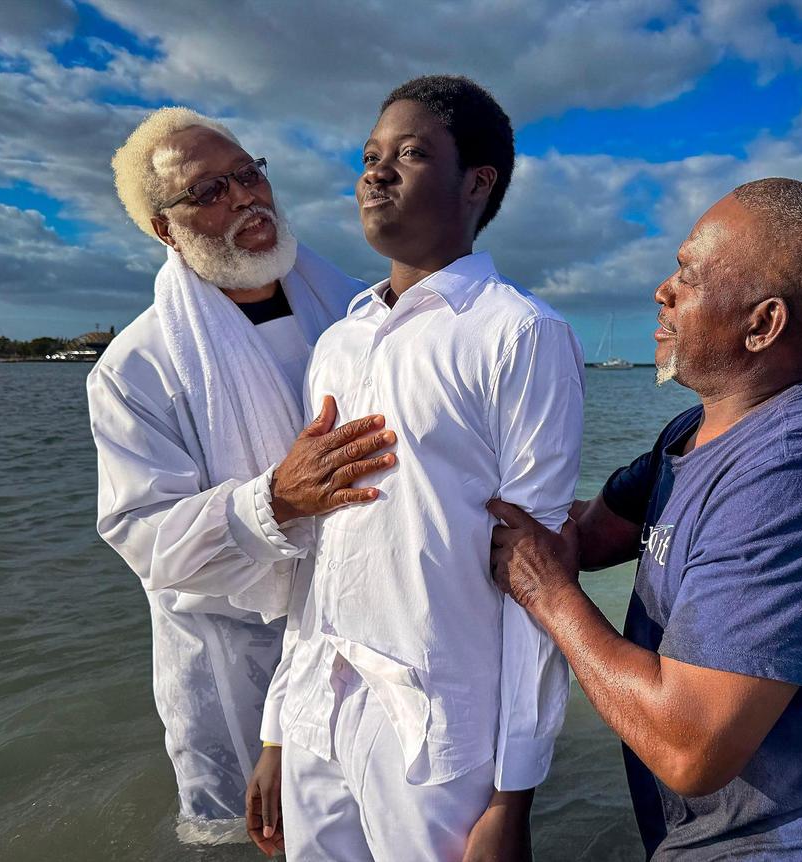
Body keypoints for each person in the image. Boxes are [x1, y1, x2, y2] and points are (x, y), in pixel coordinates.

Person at [488, 178, 802, 859]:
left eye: (687, 274)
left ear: (762, 324)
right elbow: (587, 537)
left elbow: (689, 747)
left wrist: (548, 596)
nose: (662, 290)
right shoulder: (693, 431)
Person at [265, 75, 583, 861]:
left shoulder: (519, 334)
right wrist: (277, 729)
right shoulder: (341, 341)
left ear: (478, 182)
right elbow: (319, 548)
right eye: (370, 156)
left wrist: (514, 796)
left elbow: (534, 577)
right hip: (320, 708)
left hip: (439, 727)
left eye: (410, 154)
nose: (375, 173)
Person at [88, 107, 395, 843]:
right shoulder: (137, 369)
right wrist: (273, 500)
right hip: (231, 654)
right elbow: (143, 537)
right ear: (165, 229)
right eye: (208, 192)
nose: (244, 198)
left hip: (368, 624)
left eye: (249, 173)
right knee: (253, 837)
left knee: (380, 825)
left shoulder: (364, 311)